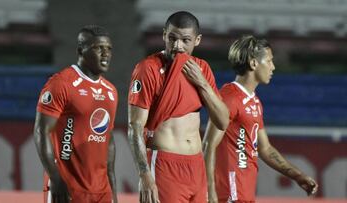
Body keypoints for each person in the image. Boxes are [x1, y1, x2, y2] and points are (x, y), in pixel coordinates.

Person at [128, 11, 229, 203]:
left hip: (197, 165)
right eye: (172, 38)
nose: (177, 46)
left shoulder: (202, 68)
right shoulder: (148, 69)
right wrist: (144, 175)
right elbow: (135, 126)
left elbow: (223, 121)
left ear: (197, 40)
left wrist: (202, 82)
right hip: (166, 166)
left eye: (185, 40)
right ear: (164, 35)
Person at [203, 35, 318, 203]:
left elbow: (265, 149)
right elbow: (208, 145)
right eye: (269, 61)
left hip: (244, 193)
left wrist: (297, 176)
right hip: (229, 194)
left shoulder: (254, 101)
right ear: (254, 63)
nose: (273, 67)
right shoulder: (229, 98)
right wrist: (209, 193)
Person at [34, 25, 118, 203]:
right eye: (98, 48)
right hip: (68, 188)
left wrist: (113, 187)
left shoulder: (111, 91)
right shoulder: (61, 83)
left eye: (108, 49)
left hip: (101, 191)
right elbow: (42, 132)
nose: (106, 54)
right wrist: (56, 179)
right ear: (81, 50)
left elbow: (108, 140)